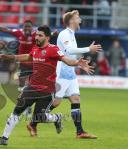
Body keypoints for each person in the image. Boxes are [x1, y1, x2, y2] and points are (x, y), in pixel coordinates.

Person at [0, 25, 94, 146]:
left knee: (39, 117)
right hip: (31, 88)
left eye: (40, 35)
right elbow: (27, 57)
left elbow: (66, 60)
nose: (36, 37)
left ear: (47, 37)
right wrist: (8, 57)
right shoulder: (35, 49)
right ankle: (4, 138)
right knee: (17, 111)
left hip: (47, 91)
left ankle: (57, 118)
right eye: (36, 35)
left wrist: (77, 62)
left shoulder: (53, 49)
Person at [27, 10, 102, 139]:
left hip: (70, 74)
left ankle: (80, 132)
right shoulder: (64, 34)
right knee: (56, 103)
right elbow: (69, 50)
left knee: (76, 99)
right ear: (71, 20)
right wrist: (88, 49)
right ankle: (33, 123)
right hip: (61, 74)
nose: (80, 19)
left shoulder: (71, 34)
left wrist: (80, 64)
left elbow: (70, 54)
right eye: (78, 17)